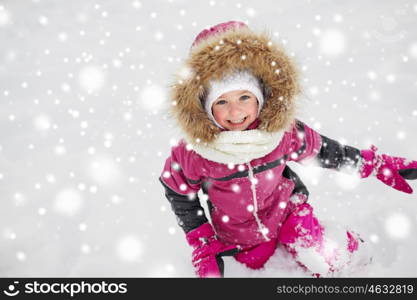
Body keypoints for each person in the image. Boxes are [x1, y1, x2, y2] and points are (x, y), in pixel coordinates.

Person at [159, 21, 417, 277]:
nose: (235, 112)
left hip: (288, 211)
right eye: (222, 101)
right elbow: (178, 191)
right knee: (254, 264)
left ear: (261, 96)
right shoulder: (195, 152)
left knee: (321, 252)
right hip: (238, 232)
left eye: (244, 97)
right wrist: (202, 241)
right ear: (204, 106)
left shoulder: (281, 133)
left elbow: (327, 153)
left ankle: (352, 250)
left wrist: (373, 164)